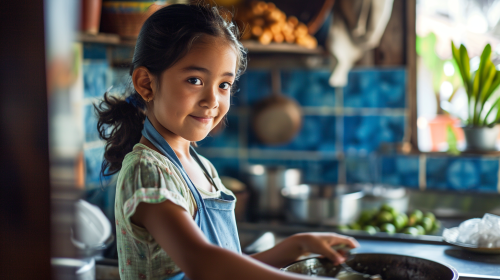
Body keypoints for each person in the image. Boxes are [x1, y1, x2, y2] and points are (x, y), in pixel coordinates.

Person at [95, 3, 359, 280]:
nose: (212, 101)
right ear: (146, 84)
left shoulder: (204, 168)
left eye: (224, 85)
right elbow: (202, 263)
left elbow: (227, 266)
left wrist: (295, 246)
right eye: (195, 80)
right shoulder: (147, 170)